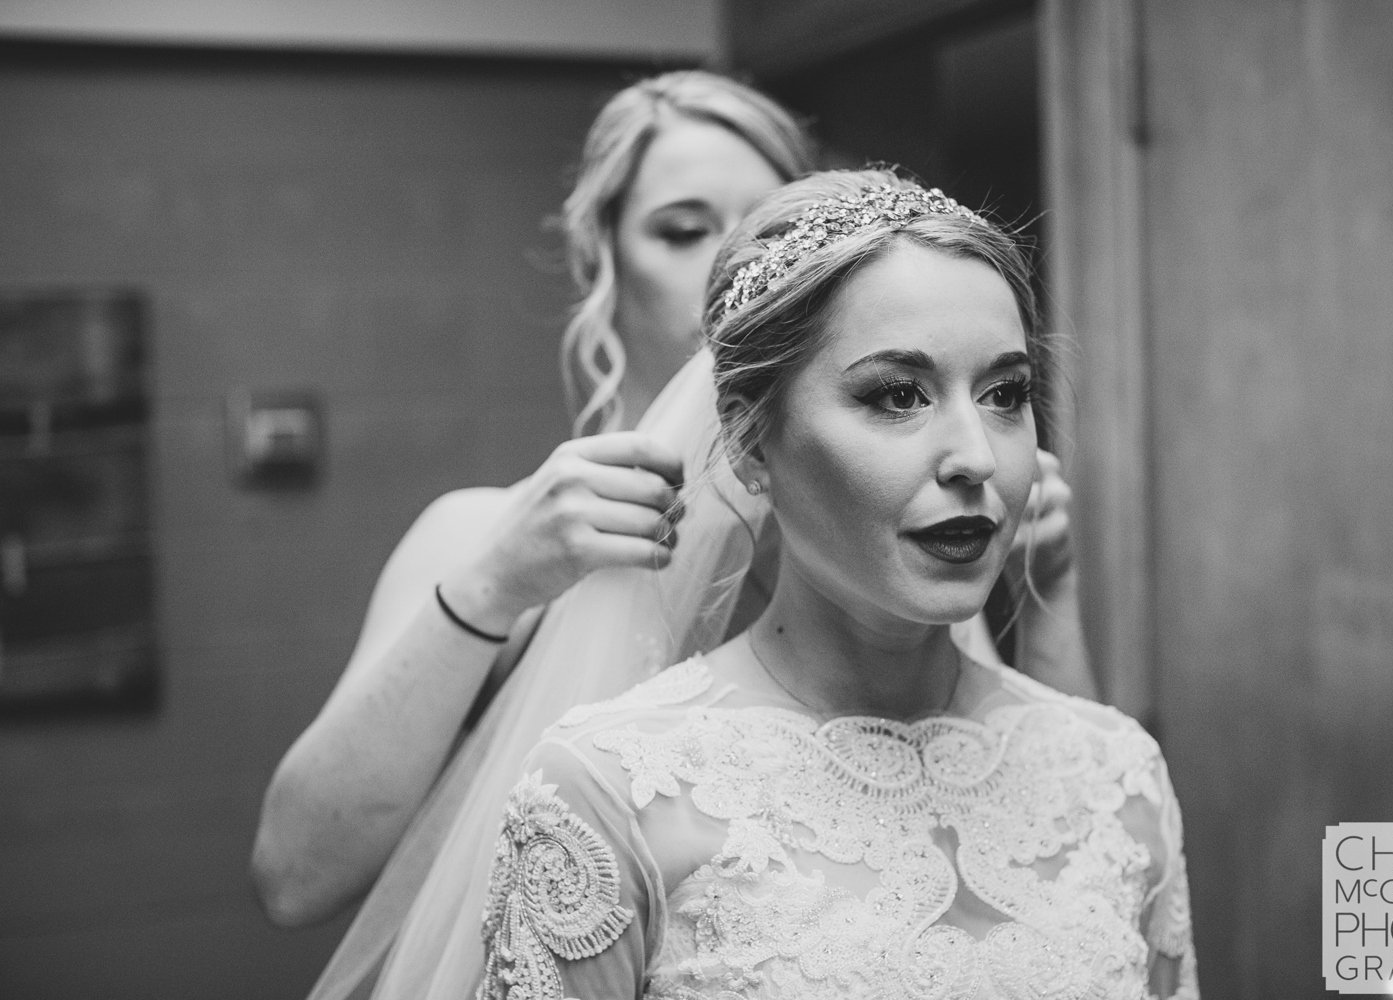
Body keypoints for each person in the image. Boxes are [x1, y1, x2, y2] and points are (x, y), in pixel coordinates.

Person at [252, 71, 1094, 934]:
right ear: (600, 262)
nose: (733, 271)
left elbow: (1062, 832)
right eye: (684, 231)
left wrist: (1051, 588)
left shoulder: (887, 537)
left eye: (772, 227)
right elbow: (294, 876)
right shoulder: (486, 535)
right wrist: (493, 587)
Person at [470, 171, 1197, 998]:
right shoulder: (607, 791)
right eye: (897, 395)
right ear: (749, 439)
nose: (976, 457)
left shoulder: (1115, 775)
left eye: (1006, 394)